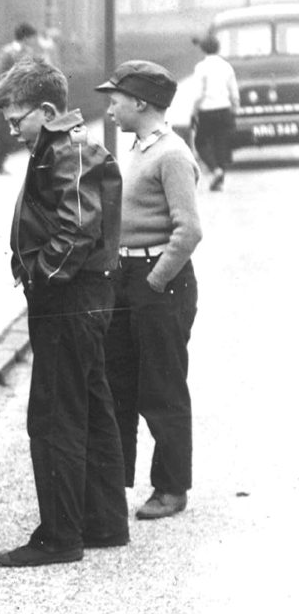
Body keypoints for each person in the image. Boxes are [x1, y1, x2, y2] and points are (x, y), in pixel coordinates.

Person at [0, 58, 129, 565]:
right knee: (90, 407)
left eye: (16, 119)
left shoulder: (65, 150)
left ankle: (60, 536)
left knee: (55, 417)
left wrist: (39, 278)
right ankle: (104, 522)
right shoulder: (64, 147)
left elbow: (74, 230)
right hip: (82, 298)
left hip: (68, 301)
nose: (11, 130)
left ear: (46, 111)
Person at [97, 62, 203, 521]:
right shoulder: (139, 148)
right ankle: (112, 482)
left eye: (116, 98)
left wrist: (155, 281)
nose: (110, 108)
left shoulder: (172, 154)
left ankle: (171, 487)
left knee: (161, 387)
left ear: (139, 102)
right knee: (118, 382)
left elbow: (189, 230)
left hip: (161, 282)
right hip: (128, 278)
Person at [0, 23, 46, 175]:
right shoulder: (8, 52)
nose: (34, 41)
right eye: (32, 37)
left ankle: (37, 164)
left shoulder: (29, 52)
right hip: (9, 100)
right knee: (5, 134)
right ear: (26, 37)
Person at [189, 33, 239, 192]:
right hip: (224, 109)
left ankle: (215, 170)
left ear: (203, 49)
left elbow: (198, 94)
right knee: (221, 144)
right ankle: (220, 179)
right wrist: (234, 110)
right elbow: (234, 93)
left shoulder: (201, 68)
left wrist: (193, 112)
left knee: (200, 142)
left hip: (207, 111)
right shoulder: (226, 66)